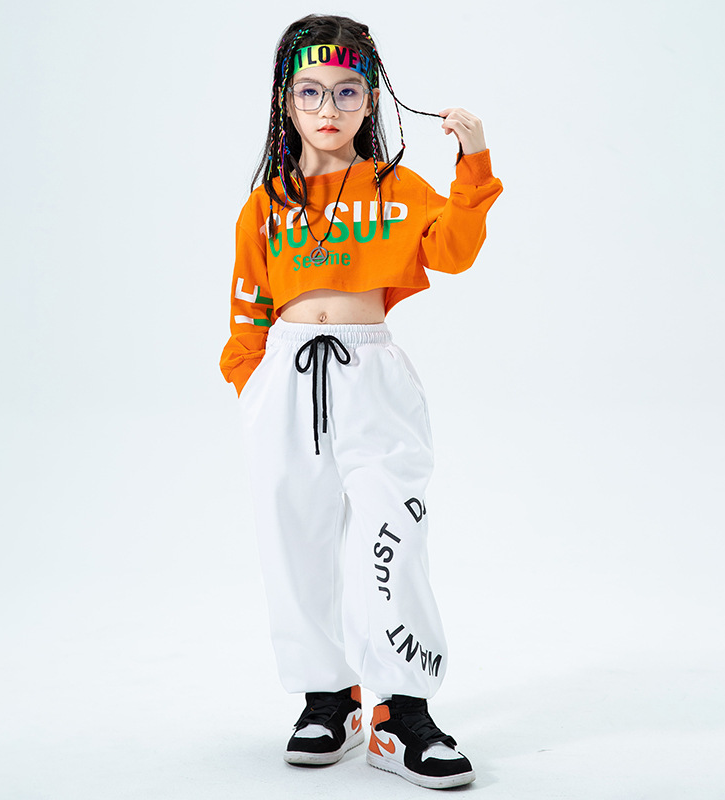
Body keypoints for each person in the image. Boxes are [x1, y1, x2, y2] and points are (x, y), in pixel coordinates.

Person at [219, 14, 503, 790]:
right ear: (285, 101)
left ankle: (401, 712)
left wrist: (473, 161)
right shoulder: (266, 205)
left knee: (391, 531)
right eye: (310, 90)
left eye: (347, 91)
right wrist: (252, 380)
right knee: (295, 538)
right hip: (285, 376)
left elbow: (453, 250)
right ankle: (328, 699)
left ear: (371, 99)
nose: (328, 107)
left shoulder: (393, 188)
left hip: (370, 375)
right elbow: (247, 304)